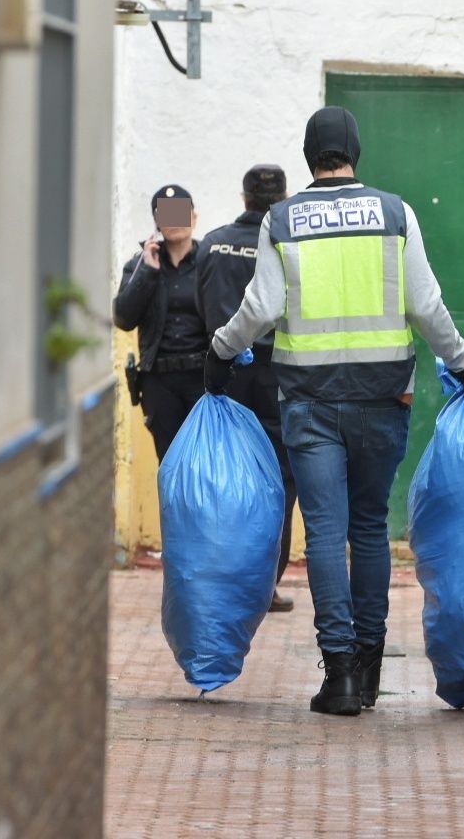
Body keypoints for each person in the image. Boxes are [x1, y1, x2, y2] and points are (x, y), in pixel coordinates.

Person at [203, 106, 464, 717]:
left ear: (309, 156)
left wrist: (221, 352)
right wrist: (463, 364)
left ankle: (340, 680)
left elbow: (261, 307)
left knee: (327, 532)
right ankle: (371, 666)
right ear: (355, 150)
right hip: (383, 396)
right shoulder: (395, 213)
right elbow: (426, 305)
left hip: (309, 401)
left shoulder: (282, 219)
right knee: (369, 528)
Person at [197, 164, 299, 614]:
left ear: (243, 198)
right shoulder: (289, 245)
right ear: (284, 200)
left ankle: (219, 581)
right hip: (278, 376)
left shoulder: (212, 244)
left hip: (225, 374)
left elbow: (202, 307)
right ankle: (265, 586)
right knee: (279, 480)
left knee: (224, 478)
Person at [113, 183, 207, 461]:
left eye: (181, 212)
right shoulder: (140, 264)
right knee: (170, 464)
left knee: (206, 464)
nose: (175, 222)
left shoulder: (209, 260)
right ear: (157, 222)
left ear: (194, 218)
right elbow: (123, 318)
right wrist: (148, 272)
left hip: (203, 378)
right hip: (160, 383)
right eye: (168, 214)